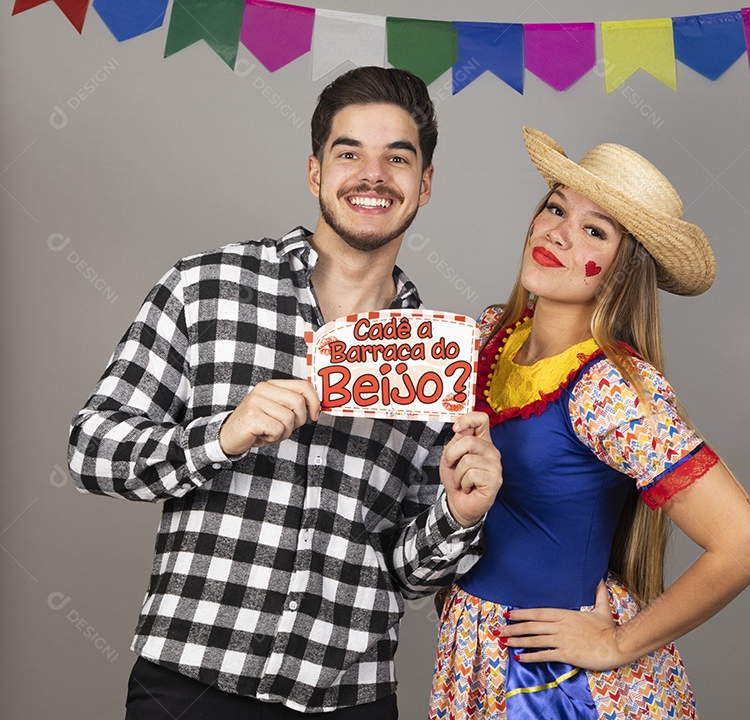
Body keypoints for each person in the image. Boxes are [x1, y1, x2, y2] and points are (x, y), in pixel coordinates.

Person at [68, 66, 501, 720]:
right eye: (349, 153)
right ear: (315, 173)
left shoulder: (435, 356)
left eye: (397, 158)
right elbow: (90, 451)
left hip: (350, 698)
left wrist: (459, 515)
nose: (373, 175)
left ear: (426, 183)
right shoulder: (205, 288)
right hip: (190, 683)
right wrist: (221, 437)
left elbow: (408, 573)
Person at [428, 128, 750, 719]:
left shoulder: (610, 389)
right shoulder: (488, 336)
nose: (559, 233)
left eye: (595, 231)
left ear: (621, 271)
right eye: (555, 209)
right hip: (474, 651)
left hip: (554, 682)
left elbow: (747, 542)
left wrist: (616, 643)